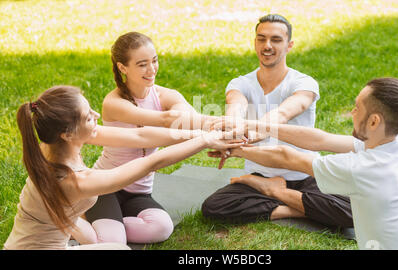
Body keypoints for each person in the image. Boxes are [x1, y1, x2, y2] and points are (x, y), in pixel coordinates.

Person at [3, 85, 242, 250]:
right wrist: (205, 141)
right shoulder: (76, 180)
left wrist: (202, 133)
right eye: (88, 117)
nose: (96, 115)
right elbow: (152, 162)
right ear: (67, 133)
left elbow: (140, 135)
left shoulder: (50, 146)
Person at [213, 77, 398, 250]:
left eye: (357, 107)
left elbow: (287, 157)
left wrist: (236, 149)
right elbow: (320, 139)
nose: (352, 112)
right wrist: (257, 127)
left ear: (373, 121)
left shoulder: (360, 169)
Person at [201, 14, 353, 228]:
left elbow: (284, 113)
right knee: (215, 206)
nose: (267, 46)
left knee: (351, 212)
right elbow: (235, 104)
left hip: (306, 174)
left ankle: (275, 192)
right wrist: (233, 125)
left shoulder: (303, 83)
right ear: (255, 42)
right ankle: (302, 206)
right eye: (261, 39)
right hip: (261, 173)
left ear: (289, 45)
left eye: (276, 39)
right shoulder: (241, 83)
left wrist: (254, 131)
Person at [83, 31, 219, 245]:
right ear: (122, 67)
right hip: (106, 186)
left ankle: (105, 225)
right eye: (142, 64)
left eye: (154, 61)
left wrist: (223, 128)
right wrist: (210, 134)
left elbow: (190, 119)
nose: (152, 69)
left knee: (162, 228)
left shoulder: (167, 95)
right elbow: (166, 120)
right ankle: (86, 218)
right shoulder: (114, 102)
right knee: (112, 241)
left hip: (139, 191)